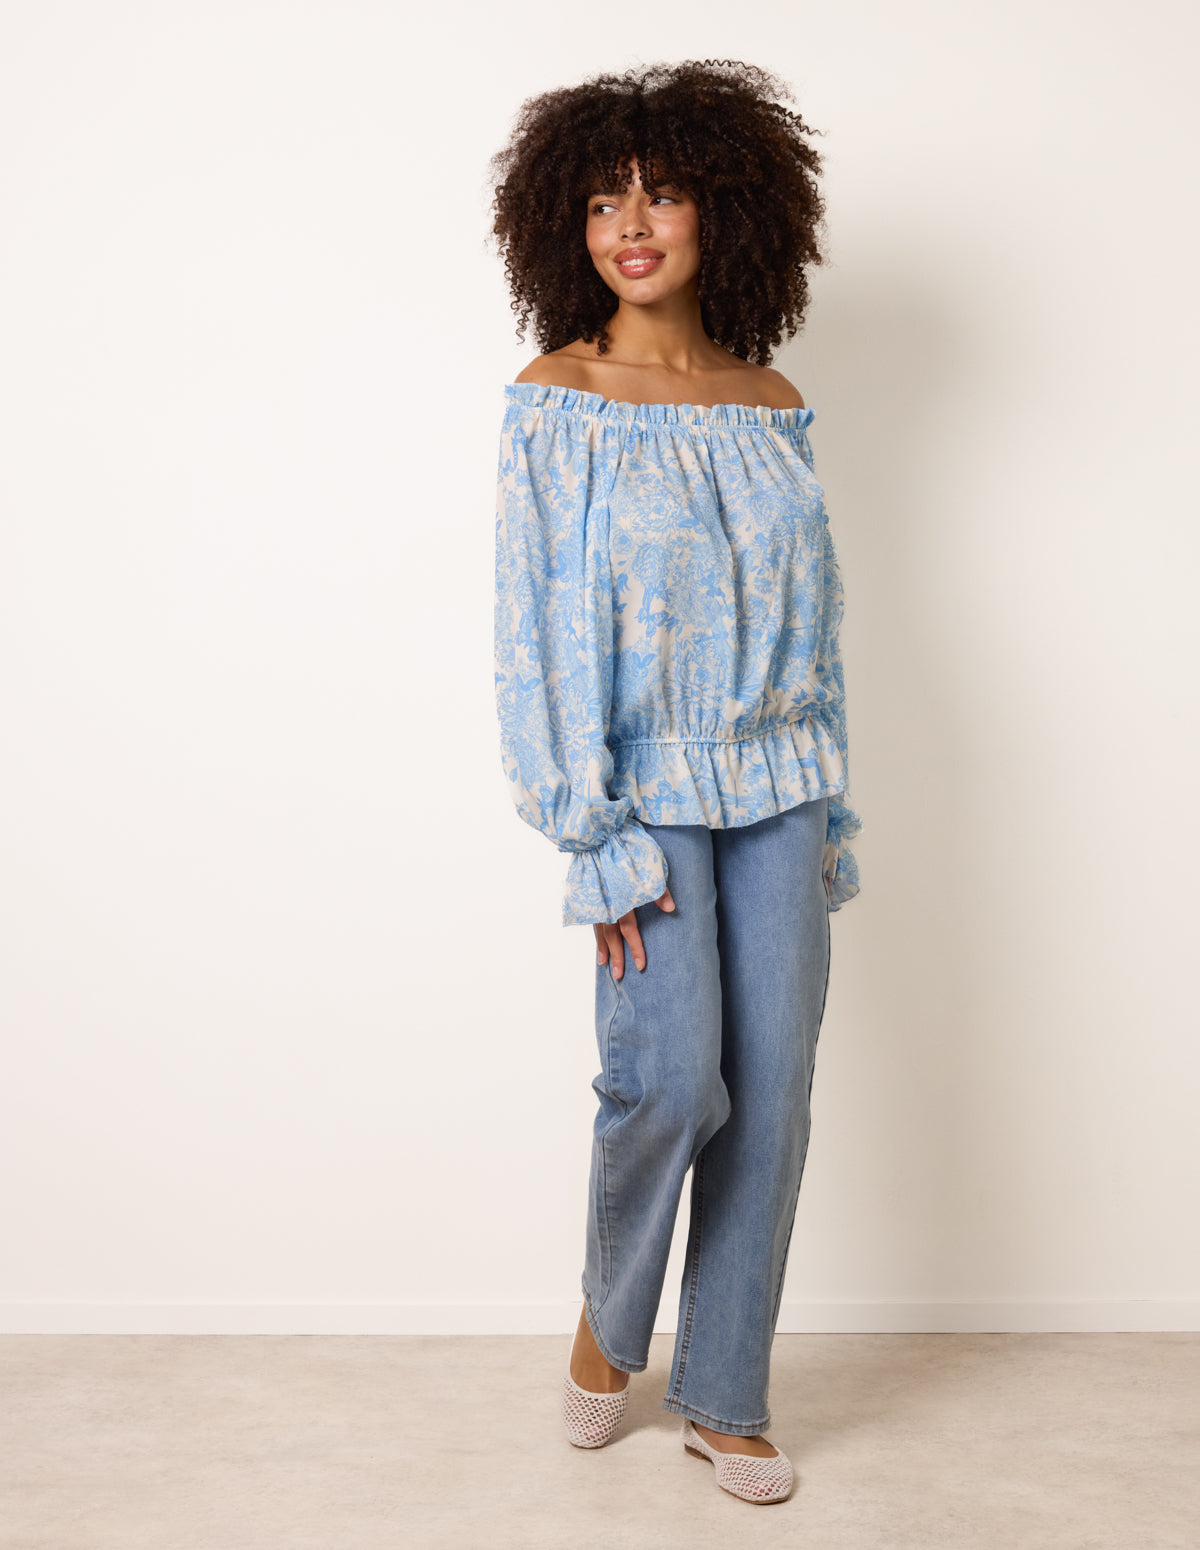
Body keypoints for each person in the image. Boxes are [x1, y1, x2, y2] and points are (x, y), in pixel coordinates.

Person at [487, 60, 862, 1505]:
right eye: (602, 202)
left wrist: (829, 807)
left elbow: (816, 618)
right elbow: (535, 635)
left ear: (728, 212)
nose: (631, 226)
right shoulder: (558, 399)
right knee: (669, 1077)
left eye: (661, 195)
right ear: (564, 226)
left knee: (773, 1091)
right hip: (641, 793)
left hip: (782, 783)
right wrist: (588, 835)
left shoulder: (772, 403)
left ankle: (725, 1394)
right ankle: (608, 1316)